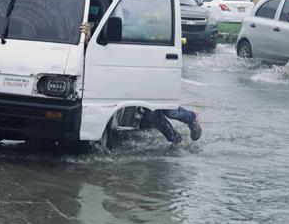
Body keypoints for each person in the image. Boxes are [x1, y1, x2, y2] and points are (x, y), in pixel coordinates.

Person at [80, 9, 203, 146]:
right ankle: (176, 140)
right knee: (152, 114)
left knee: (169, 110)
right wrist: (88, 40)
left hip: (150, 76)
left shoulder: (135, 32)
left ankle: (191, 117)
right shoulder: (102, 33)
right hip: (133, 80)